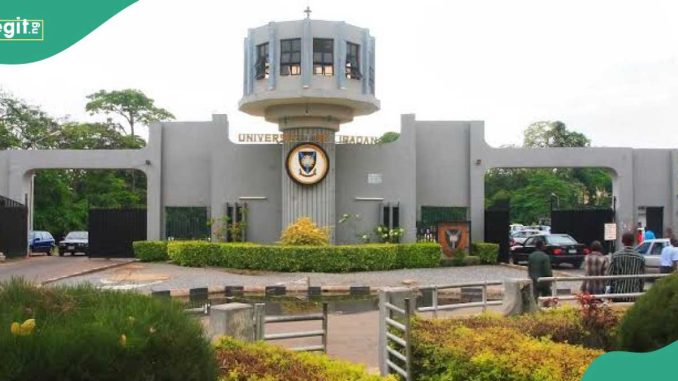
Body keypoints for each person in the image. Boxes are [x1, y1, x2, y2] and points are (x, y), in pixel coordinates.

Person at [607, 231, 645, 301]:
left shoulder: (615, 256)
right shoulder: (640, 258)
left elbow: (610, 276)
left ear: (622, 241)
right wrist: (640, 291)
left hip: (618, 295)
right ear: (633, 241)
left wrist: (609, 292)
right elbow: (642, 279)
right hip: (633, 295)